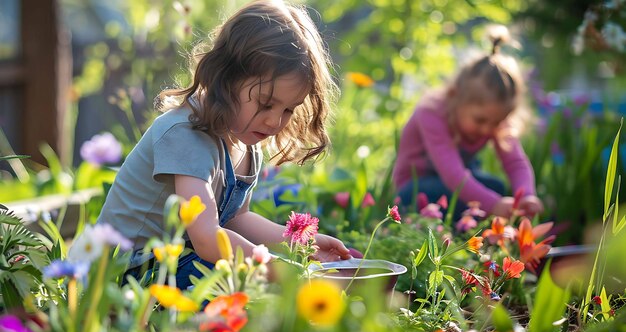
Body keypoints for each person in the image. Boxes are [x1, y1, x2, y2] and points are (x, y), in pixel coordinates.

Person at [97, 0, 352, 289]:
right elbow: (207, 239)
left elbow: (235, 220)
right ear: (227, 78)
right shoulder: (186, 133)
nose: (274, 122)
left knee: (250, 290)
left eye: (288, 110)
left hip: (180, 259)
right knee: (244, 291)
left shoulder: (247, 140)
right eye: (266, 104)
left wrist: (298, 243)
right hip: (130, 272)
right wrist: (274, 269)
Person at [392, 25, 544, 219]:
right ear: (456, 98)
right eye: (480, 120)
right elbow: (453, 175)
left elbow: (515, 162)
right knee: (483, 197)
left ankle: (470, 241)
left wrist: (526, 196)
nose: (488, 128)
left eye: (497, 122)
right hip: (415, 189)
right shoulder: (431, 112)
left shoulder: (493, 117)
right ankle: (451, 238)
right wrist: (493, 204)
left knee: (495, 187)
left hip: (453, 185)